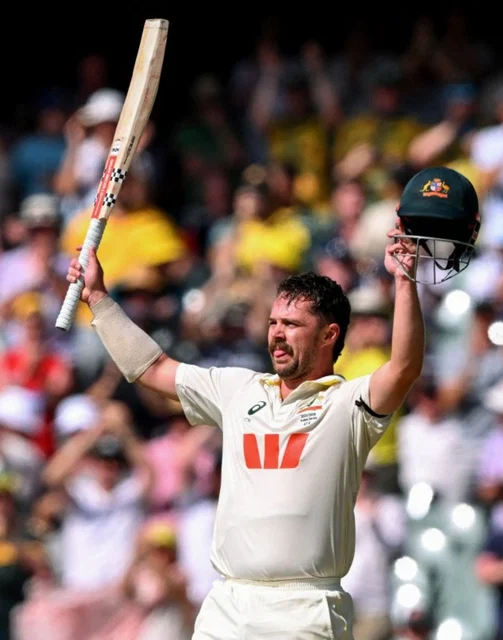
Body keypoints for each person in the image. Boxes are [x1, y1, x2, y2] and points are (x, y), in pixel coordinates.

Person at [64, 167, 480, 637]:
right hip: (228, 603)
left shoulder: (349, 405)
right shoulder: (239, 389)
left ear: (329, 335)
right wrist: (99, 299)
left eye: (292, 325)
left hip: (305, 609)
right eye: (273, 323)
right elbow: (153, 368)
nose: (277, 334)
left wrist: (404, 281)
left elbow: (403, 366)